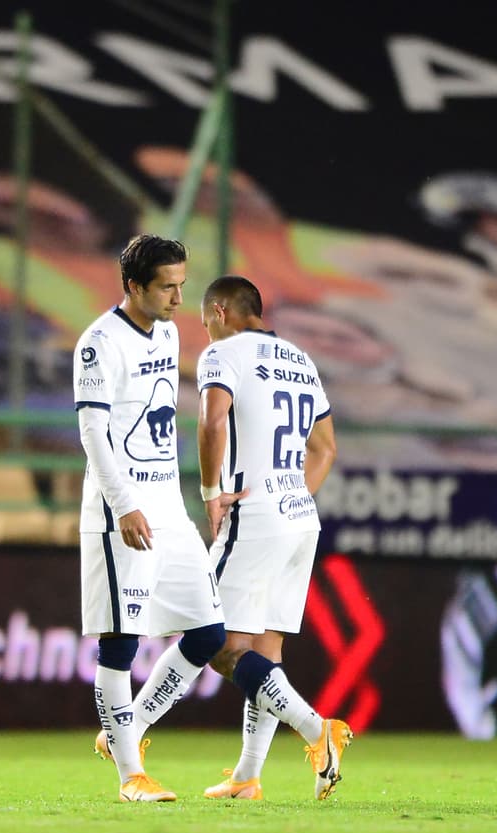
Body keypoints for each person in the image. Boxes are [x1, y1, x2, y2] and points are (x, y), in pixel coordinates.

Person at [73, 234, 226, 803]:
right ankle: (130, 777)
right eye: (167, 287)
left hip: (168, 506)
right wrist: (123, 504)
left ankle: (125, 731)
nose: (178, 299)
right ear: (134, 285)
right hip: (123, 511)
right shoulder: (98, 344)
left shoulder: (165, 331)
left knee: (209, 631)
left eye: (182, 286)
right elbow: (93, 432)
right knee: (120, 644)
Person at [194, 275, 350, 801]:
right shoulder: (301, 360)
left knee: (215, 643)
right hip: (299, 517)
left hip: (254, 516)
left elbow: (213, 422)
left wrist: (212, 491)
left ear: (219, 312)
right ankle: (247, 775)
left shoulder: (224, 354)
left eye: (205, 324)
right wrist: (291, 496)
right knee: (267, 650)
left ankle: (315, 729)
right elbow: (325, 449)